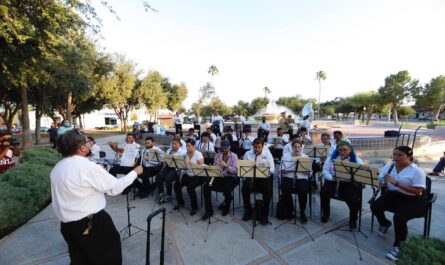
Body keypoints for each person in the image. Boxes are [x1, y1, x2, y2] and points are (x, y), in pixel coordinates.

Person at [50, 129, 143, 265]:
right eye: (87, 143)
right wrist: (135, 172)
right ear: (82, 148)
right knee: (107, 257)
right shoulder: (87, 167)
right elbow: (115, 188)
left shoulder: (57, 167)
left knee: (80, 259)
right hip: (91, 224)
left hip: (67, 225)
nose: (89, 145)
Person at [370, 146, 427, 261]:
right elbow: (381, 178)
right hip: (393, 195)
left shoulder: (417, 171)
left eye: (400, 155)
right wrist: (382, 183)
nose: (396, 157)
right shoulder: (389, 166)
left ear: (409, 157)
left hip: (412, 199)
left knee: (399, 218)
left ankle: (398, 247)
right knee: (375, 206)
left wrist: (397, 184)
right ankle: (385, 223)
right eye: (394, 154)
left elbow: (418, 191)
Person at [320, 141, 364, 228]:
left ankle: (353, 219)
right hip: (333, 180)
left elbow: (361, 175)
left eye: (345, 150)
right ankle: (326, 214)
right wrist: (331, 178)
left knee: (353, 199)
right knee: (324, 193)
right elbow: (324, 171)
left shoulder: (357, 160)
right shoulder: (331, 158)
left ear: (350, 150)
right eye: (340, 150)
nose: (342, 152)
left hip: (349, 183)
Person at [201, 140, 239, 219]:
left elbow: (235, 171)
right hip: (219, 176)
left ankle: (227, 206)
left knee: (227, 188)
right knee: (206, 187)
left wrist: (226, 165)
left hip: (229, 176)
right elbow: (215, 168)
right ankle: (209, 211)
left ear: (229, 147)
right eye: (223, 148)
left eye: (226, 148)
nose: (224, 150)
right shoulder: (218, 155)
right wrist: (216, 166)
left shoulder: (234, 156)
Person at [241, 138, 275, 225]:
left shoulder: (267, 154)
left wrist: (261, 168)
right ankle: (248, 210)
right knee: (244, 188)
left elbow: (272, 169)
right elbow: (243, 168)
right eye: (255, 147)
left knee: (268, 190)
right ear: (252, 146)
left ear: (262, 147)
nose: (257, 149)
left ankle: (264, 214)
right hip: (251, 176)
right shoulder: (247, 154)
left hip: (264, 177)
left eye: (259, 147)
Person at [280, 140, 311, 223]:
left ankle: (302, 212)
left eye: (299, 147)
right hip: (288, 177)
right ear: (292, 147)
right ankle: (291, 209)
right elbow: (281, 170)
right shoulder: (286, 156)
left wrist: (305, 171)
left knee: (303, 191)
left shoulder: (306, 157)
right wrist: (285, 170)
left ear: (301, 148)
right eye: (295, 147)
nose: (297, 149)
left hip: (301, 177)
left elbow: (309, 173)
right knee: (285, 190)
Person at [173, 139, 205, 215]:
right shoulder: (185, 155)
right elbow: (183, 166)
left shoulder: (198, 154)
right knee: (176, 185)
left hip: (197, 175)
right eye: (186, 145)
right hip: (187, 174)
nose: (187, 147)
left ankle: (195, 207)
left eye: (189, 146)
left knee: (190, 188)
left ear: (194, 146)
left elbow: (202, 168)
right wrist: (181, 174)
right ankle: (181, 203)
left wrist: (192, 164)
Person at [155, 139, 186, 203]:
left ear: (179, 144)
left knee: (168, 179)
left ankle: (169, 195)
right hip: (168, 167)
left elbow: (184, 164)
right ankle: (161, 193)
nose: (173, 145)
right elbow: (165, 158)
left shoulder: (183, 152)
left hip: (177, 169)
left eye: (175, 144)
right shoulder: (169, 150)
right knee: (158, 177)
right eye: (172, 144)